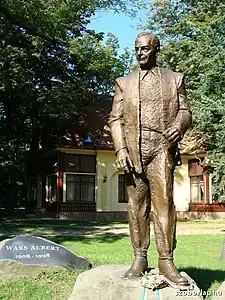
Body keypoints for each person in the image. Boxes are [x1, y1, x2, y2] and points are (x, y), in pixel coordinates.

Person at [109, 32, 192, 289]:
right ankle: (139, 257)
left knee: (164, 203)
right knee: (136, 205)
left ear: (156, 49)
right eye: (136, 49)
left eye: (145, 49)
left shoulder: (174, 79)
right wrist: (121, 149)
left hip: (162, 148)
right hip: (134, 149)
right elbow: (115, 119)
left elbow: (185, 110)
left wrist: (180, 124)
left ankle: (166, 259)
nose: (140, 54)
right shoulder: (125, 82)